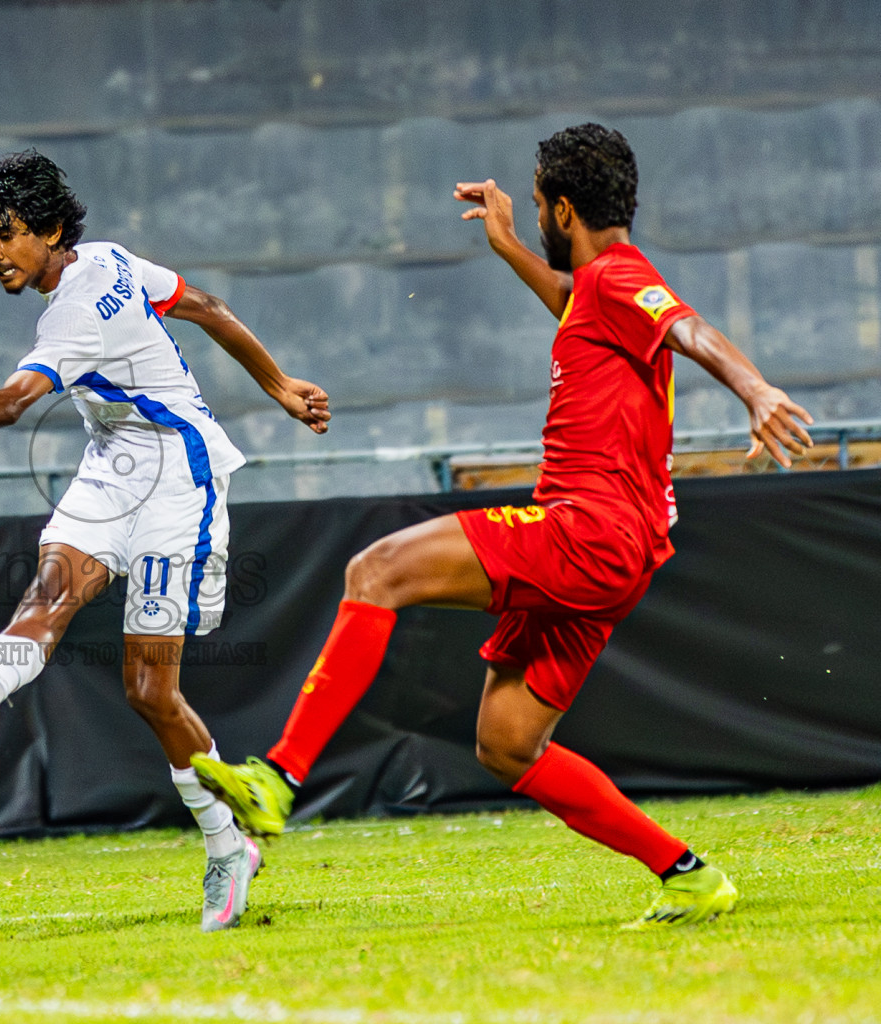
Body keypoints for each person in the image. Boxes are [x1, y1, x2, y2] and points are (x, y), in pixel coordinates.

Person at [191, 123, 814, 929]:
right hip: (621, 552)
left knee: (375, 572)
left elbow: (688, 327)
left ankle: (279, 777)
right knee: (509, 743)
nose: (533, 214)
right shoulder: (598, 290)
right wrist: (510, 246)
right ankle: (688, 876)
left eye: (535, 204)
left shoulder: (625, 280)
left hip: (585, 529)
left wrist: (754, 389)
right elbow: (573, 300)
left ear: (563, 206)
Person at [0, 150, 331, 932]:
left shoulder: (76, 308)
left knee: (149, 693)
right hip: (112, 467)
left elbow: (11, 402)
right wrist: (280, 384)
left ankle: (229, 845)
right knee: (47, 594)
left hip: (178, 484)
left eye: (7, 235)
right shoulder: (107, 260)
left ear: (51, 228)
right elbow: (207, 303)